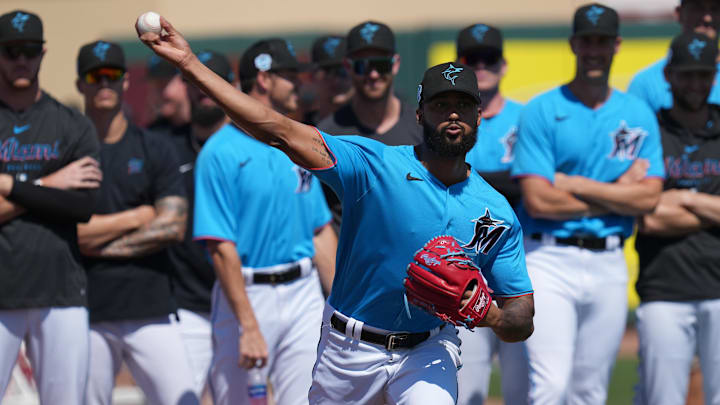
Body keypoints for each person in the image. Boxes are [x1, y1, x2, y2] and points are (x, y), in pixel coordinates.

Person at [138, 16, 534, 405]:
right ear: (419, 113)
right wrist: (189, 65)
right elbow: (277, 130)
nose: (452, 114)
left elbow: (523, 314)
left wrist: (494, 318)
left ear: (478, 115)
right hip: (350, 349)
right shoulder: (373, 165)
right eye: (440, 104)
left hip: (430, 350)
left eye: (463, 105)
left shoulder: (496, 211)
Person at [511, 4, 665, 404]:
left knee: (590, 391)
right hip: (548, 256)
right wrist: (617, 195)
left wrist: (577, 184)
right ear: (573, 43)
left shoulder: (636, 112)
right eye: (587, 40)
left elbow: (648, 196)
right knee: (550, 384)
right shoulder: (543, 109)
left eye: (602, 41)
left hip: (609, 261)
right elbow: (539, 199)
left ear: (616, 44)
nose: (594, 49)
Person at [193, 38, 335, 405]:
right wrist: (249, 326)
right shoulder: (219, 152)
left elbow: (319, 231)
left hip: (303, 292)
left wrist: (341, 304)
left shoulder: (297, 142)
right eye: (289, 75)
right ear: (264, 78)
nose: (298, 84)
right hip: (247, 294)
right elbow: (220, 247)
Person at [74, 40, 198, 405]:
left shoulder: (154, 146)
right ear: (81, 83)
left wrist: (91, 237)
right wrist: (136, 217)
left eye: (112, 76)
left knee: (184, 400)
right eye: (95, 77)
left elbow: (173, 227)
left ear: (125, 82)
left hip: (152, 308)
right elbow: (69, 235)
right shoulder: (68, 151)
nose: (104, 84)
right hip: (87, 310)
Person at [0, 10, 102, 404]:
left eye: (28, 51)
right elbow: (62, 197)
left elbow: (82, 205)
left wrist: (10, 184)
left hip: (60, 289)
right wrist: (48, 185)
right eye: (11, 51)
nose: (21, 60)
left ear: (42, 53)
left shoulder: (72, 124)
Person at [634, 32, 720, 405]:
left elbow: (659, 207)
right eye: (687, 75)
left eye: (704, 75)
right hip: (663, 289)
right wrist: (709, 205)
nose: (696, 84)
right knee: (661, 399)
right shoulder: (647, 130)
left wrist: (678, 198)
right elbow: (646, 216)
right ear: (668, 75)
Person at [454, 23, 528, 405]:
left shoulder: (527, 117)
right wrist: (512, 181)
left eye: (489, 58)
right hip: (467, 266)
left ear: (503, 64)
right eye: (471, 59)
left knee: (525, 390)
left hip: (521, 267)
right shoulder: (452, 122)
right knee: (467, 389)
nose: (481, 66)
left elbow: (537, 187)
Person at [165, 50, 231, 398]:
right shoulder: (167, 148)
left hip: (243, 298)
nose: (203, 91)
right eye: (194, 83)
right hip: (189, 303)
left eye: (211, 82)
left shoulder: (249, 147)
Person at [318, 20, 422, 234]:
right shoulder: (328, 134)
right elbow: (317, 218)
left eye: (381, 65)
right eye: (362, 65)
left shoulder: (422, 127)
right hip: (352, 263)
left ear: (395, 64)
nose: (373, 75)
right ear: (348, 67)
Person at [628, 0, 720, 111]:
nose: (707, 18)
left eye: (715, 9)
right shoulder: (645, 84)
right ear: (679, 13)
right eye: (697, 8)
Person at [303, 35, 353, 126]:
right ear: (312, 76)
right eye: (327, 71)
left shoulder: (377, 126)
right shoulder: (299, 131)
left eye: (343, 71)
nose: (336, 80)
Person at [146, 54, 191, 136]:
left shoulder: (204, 129)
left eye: (163, 84)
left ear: (185, 82)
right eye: (154, 86)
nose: (158, 94)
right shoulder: (151, 134)